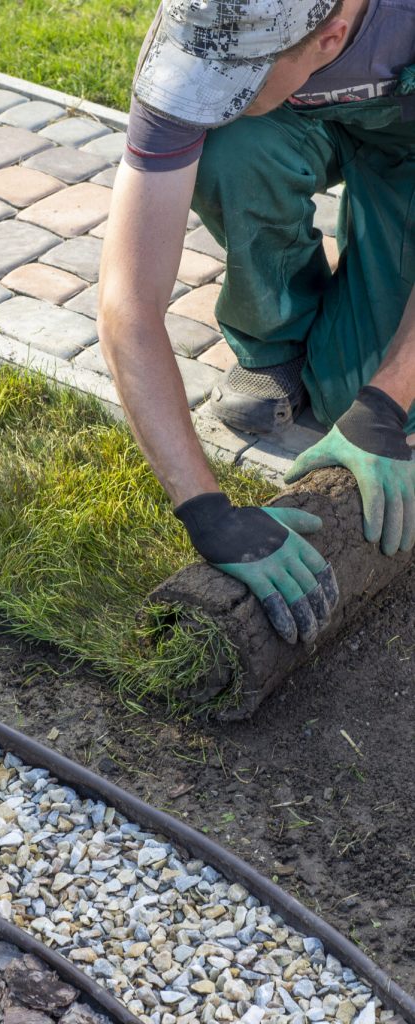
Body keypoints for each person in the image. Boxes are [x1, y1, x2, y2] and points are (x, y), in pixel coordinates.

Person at [98, 0, 415, 645]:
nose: (206, 95)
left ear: (329, 39)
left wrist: (383, 403)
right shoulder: (201, 27)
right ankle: (277, 345)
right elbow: (127, 300)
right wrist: (206, 512)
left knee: (371, 409)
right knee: (227, 143)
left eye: (236, 79)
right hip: (299, 123)